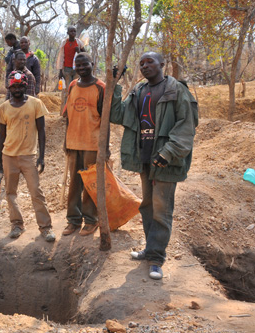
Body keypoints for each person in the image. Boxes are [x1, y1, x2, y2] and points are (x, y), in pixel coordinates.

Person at [110, 52, 198, 280]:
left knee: (161, 210)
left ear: (162, 64)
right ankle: (150, 250)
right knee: (147, 206)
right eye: (141, 63)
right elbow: (117, 115)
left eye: (150, 62)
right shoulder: (139, 91)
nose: (145, 66)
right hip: (145, 158)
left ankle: (156, 259)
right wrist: (115, 84)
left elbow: (186, 126)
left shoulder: (176, 90)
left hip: (166, 161)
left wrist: (167, 153)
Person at [0, 71, 55, 242]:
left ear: (24, 86)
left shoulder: (36, 104)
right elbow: (1, 136)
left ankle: (46, 228)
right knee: (10, 192)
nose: (16, 89)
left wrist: (42, 156)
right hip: (9, 156)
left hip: (29, 156)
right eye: (13, 86)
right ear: (9, 87)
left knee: (36, 192)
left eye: (19, 85)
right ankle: (17, 224)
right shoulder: (3, 108)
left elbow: (42, 131)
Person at [61, 52, 106, 237]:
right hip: (74, 142)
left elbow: (105, 119)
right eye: (77, 65)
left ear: (92, 64)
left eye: (84, 64)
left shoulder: (100, 87)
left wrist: (105, 147)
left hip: (92, 143)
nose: (81, 68)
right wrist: (66, 140)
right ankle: (73, 220)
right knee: (74, 183)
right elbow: (68, 116)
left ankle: (91, 220)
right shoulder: (72, 85)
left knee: (90, 183)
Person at [56, 26, 86, 113]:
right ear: (68, 33)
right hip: (66, 70)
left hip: (77, 70)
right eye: (71, 31)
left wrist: (79, 51)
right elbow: (61, 57)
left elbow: (85, 54)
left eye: (74, 31)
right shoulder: (64, 43)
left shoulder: (78, 42)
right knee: (67, 90)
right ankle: (65, 111)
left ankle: (75, 111)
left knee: (76, 89)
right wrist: (60, 71)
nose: (73, 33)